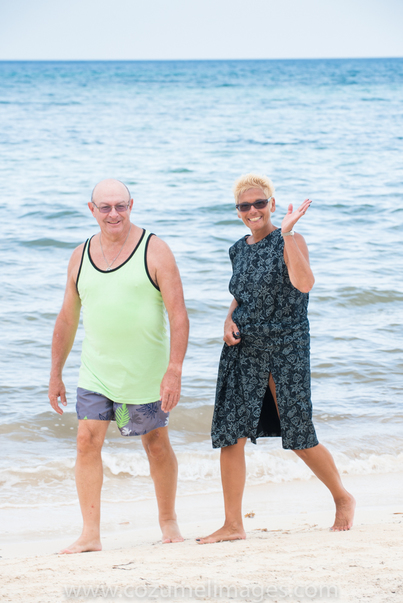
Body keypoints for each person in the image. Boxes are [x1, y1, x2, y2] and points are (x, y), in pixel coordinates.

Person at [198, 173, 355, 544]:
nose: (252, 210)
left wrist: (286, 233)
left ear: (271, 203)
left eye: (259, 203)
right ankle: (233, 525)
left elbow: (304, 284)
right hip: (243, 348)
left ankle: (342, 497)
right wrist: (228, 319)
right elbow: (241, 294)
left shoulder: (291, 239)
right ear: (238, 211)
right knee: (231, 434)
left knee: (299, 433)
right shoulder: (237, 249)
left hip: (286, 347)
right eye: (244, 205)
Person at [49, 178, 189, 554]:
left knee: (155, 444)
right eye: (105, 207)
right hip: (96, 371)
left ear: (131, 205)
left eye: (121, 206)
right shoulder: (79, 255)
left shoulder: (155, 250)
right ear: (92, 209)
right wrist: (55, 373)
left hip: (144, 373)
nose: (114, 214)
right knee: (86, 441)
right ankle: (90, 534)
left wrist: (174, 369)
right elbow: (67, 318)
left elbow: (178, 315)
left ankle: (168, 520)